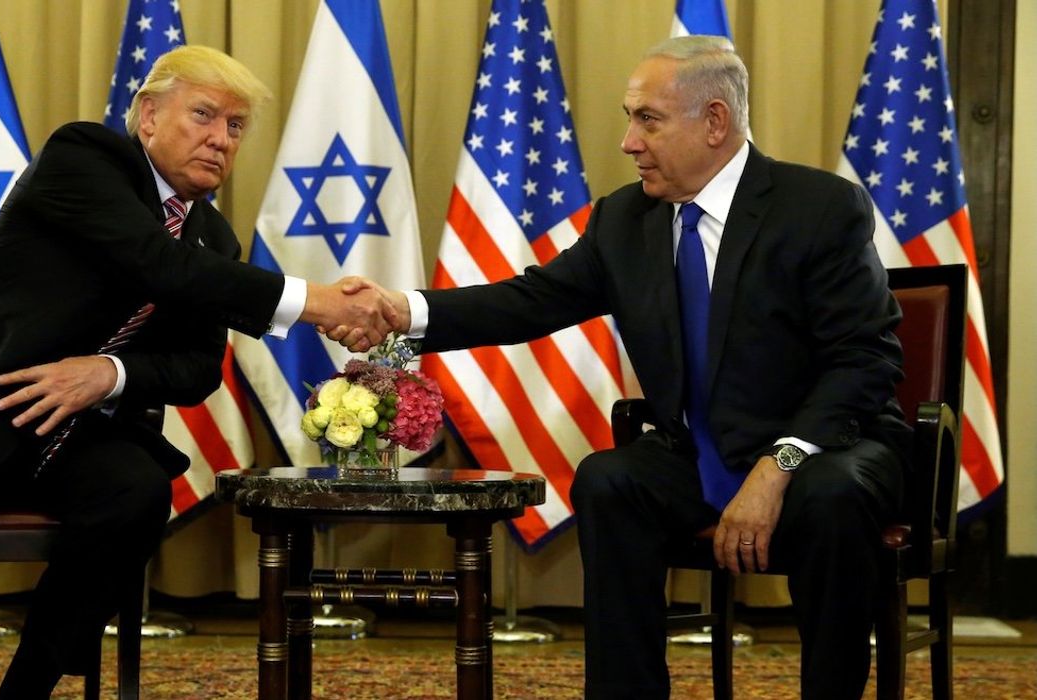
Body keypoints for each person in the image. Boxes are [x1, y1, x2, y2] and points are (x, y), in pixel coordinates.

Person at [338, 36, 910, 699]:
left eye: (648, 120)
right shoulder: (624, 219)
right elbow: (529, 302)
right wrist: (400, 311)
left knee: (829, 496)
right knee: (609, 480)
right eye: (629, 118)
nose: (628, 142)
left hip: (825, 447)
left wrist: (777, 465)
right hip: (698, 453)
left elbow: (863, 361)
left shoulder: (817, 208)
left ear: (714, 122)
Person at [0, 45, 393, 700]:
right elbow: (158, 264)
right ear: (148, 115)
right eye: (204, 114)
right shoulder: (84, 158)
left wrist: (109, 373)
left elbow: (195, 369)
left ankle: (28, 690)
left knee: (135, 495)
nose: (220, 138)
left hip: (75, 436)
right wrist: (316, 302)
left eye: (235, 125)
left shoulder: (213, 239)